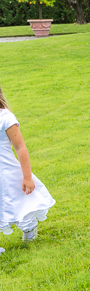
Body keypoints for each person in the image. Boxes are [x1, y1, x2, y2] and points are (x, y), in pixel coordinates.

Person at [0, 85, 56, 253]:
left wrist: (27, 176)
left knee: (22, 201)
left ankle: (28, 230)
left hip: (6, 172)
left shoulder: (5, 118)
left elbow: (20, 148)